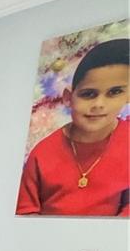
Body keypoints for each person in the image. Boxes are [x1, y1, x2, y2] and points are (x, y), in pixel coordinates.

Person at [16, 38, 129, 216]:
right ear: (68, 97)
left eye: (114, 92)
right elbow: (25, 211)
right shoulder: (43, 153)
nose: (99, 104)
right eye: (88, 94)